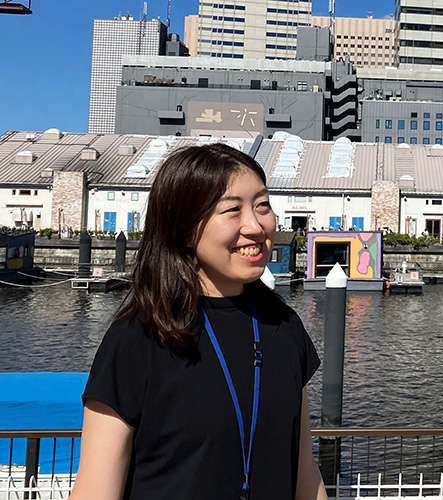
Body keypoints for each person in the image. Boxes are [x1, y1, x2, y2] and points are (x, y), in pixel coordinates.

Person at [69, 143, 327, 500]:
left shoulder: (284, 326)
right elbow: (95, 490)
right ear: (185, 228)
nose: (255, 226)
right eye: (232, 209)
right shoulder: (139, 338)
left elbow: (305, 473)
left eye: (262, 205)